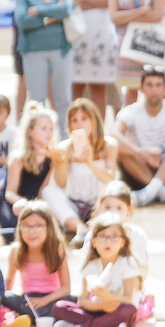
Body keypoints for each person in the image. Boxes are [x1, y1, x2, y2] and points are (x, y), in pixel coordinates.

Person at [52, 212, 140, 327]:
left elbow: (128, 299)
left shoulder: (127, 263)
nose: (108, 241)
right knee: (59, 307)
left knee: (130, 310)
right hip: (96, 310)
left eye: (114, 236)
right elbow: (82, 301)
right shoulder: (90, 264)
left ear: (123, 242)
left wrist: (108, 297)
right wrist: (102, 305)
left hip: (118, 311)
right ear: (93, 241)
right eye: (102, 236)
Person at [13, 0, 75, 131]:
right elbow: (23, 21)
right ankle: (37, 142)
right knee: (37, 101)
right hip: (33, 52)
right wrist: (51, 17)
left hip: (61, 49)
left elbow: (66, 9)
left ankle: (64, 139)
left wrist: (38, 11)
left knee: (63, 98)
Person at [115, 67, 165, 206]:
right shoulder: (131, 111)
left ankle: (150, 191)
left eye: (158, 85)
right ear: (141, 88)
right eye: (149, 85)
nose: (154, 90)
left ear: (164, 89)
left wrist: (160, 149)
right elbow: (113, 134)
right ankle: (160, 191)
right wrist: (139, 152)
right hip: (139, 168)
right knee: (120, 150)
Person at [49, 98, 118, 240]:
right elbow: (61, 184)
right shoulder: (65, 147)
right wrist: (59, 163)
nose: (79, 123)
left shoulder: (109, 145)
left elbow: (110, 180)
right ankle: (80, 228)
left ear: (94, 121)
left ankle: (97, 227)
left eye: (84, 119)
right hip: (74, 203)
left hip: (100, 204)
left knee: (118, 195)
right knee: (48, 192)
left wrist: (90, 163)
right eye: (74, 120)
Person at [0, 102, 59, 237]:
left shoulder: (50, 158)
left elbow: (41, 191)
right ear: (30, 131)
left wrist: (36, 208)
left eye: (51, 128)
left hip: (31, 204)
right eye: (44, 128)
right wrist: (26, 204)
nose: (49, 132)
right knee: (12, 231)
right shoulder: (18, 157)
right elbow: (9, 193)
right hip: (9, 202)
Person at [1, 201, 71, 322]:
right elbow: (9, 284)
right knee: (4, 297)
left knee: (70, 303)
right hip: (29, 302)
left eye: (38, 226)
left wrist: (45, 300)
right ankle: (30, 317)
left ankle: (33, 318)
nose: (31, 231)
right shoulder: (15, 251)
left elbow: (66, 288)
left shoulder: (57, 248)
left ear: (48, 227)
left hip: (53, 299)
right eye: (26, 226)